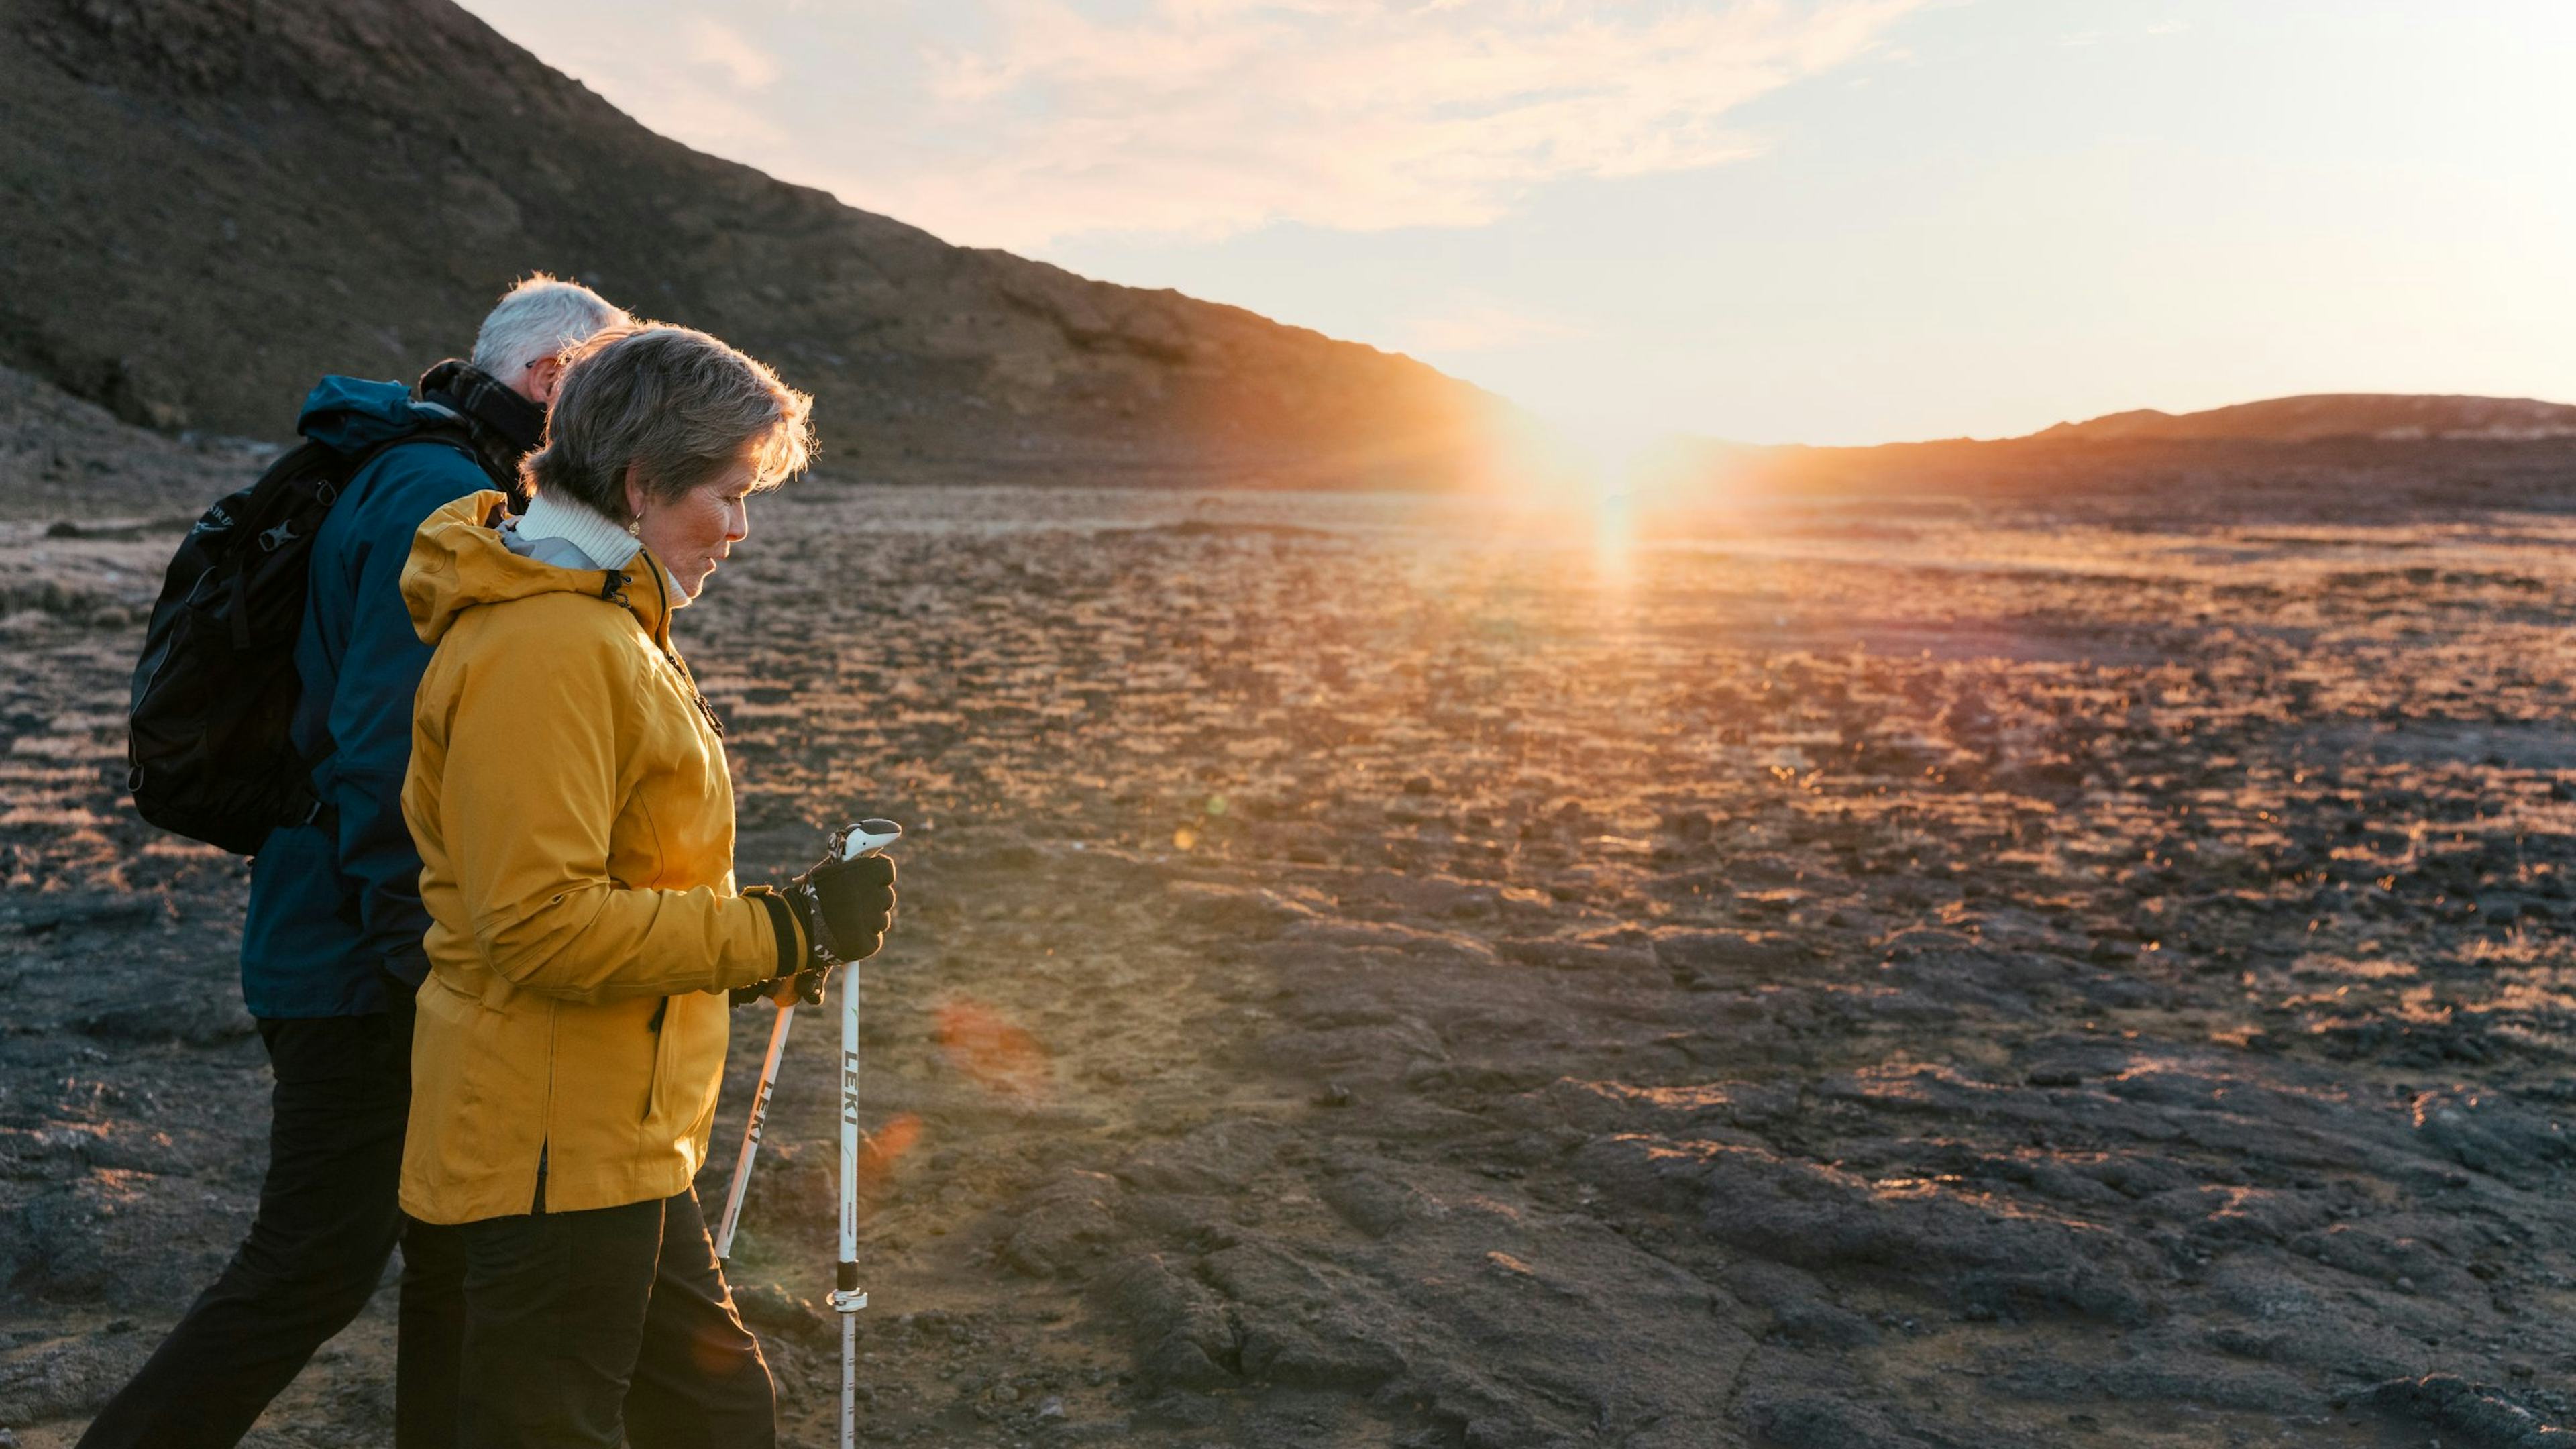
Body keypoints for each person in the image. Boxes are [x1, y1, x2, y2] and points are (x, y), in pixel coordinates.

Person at [79, 276, 632, 1449]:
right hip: (357, 951)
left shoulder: (431, 469)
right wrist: (417, 956)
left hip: (347, 922)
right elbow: (384, 749)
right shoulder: (439, 491)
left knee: (448, 1249)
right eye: (602, 392)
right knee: (313, 1266)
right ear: (550, 381)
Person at [397, 323, 900, 1446]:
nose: (740, 526)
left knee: (717, 1412)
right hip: (549, 1148)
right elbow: (541, 927)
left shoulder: (606, 619)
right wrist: (774, 933)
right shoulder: (548, 647)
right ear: (638, 482)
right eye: (725, 494)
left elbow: (633, 873)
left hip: (613, 1132)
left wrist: (779, 939)